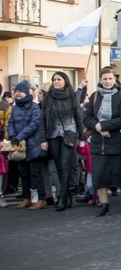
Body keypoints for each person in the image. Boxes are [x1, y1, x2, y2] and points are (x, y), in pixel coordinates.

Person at [82, 66, 121, 216]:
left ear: (114, 79)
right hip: (99, 143)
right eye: (105, 79)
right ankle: (104, 205)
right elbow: (86, 117)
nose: (108, 81)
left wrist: (104, 125)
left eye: (110, 78)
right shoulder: (94, 96)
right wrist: (97, 126)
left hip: (118, 141)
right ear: (100, 80)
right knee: (99, 175)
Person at [39, 71, 85, 211]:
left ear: (65, 81)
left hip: (69, 135)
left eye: (59, 79)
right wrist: (43, 139)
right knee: (59, 166)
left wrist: (82, 137)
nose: (56, 82)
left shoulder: (72, 96)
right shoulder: (49, 98)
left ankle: (62, 197)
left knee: (65, 165)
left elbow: (78, 117)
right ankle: (67, 195)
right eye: (54, 80)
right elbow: (42, 119)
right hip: (53, 135)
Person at [8, 81, 46, 210]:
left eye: (20, 91)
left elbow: (35, 124)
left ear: (26, 93)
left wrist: (19, 137)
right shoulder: (15, 108)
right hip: (20, 145)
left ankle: (42, 199)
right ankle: (26, 198)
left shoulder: (34, 107)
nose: (18, 94)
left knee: (36, 173)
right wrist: (12, 136)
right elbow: (10, 123)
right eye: (16, 92)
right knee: (23, 173)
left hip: (33, 144)